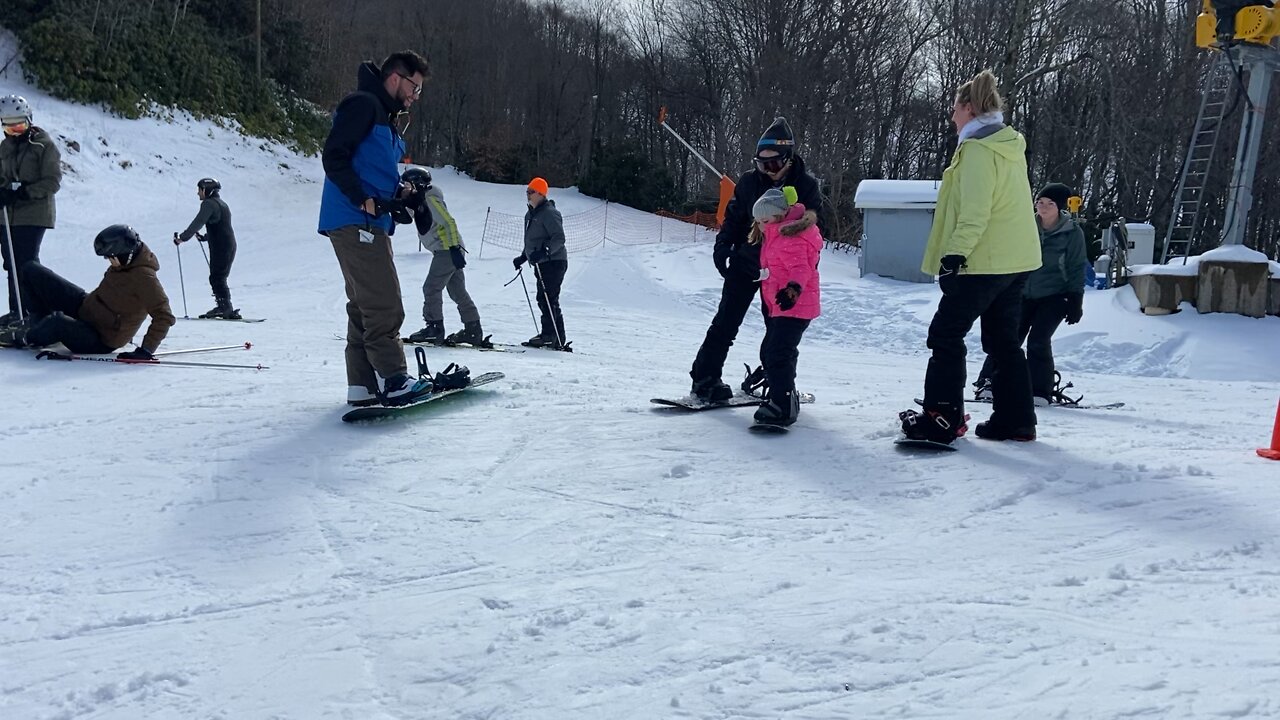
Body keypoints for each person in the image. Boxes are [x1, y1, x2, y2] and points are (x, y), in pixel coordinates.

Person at [897, 69, 1042, 444]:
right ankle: (1017, 421)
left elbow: (976, 212)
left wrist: (954, 256)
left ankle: (941, 417)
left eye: (953, 108)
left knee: (945, 334)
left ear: (968, 108)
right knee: (1003, 342)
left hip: (984, 262)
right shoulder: (1008, 145)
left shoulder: (977, 150)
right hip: (1016, 260)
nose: (950, 116)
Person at [318, 50, 432, 407]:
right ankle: (394, 378)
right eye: (415, 87)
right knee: (383, 302)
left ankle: (363, 384)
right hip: (355, 219)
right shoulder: (364, 105)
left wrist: (401, 193)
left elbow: (371, 168)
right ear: (395, 78)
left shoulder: (384, 115)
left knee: (364, 304)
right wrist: (361, 198)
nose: (416, 96)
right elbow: (333, 155)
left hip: (367, 220)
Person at [689, 116, 822, 403]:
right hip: (747, 264)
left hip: (780, 274)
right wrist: (723, 249)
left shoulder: (806, 185)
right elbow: (733, 219)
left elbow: (811, 236)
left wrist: (799, 279)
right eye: (761, 164)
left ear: (788, 158)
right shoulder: (750, 182)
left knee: (780, 333)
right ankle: (705, 379)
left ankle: (779, 386)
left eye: (773, 164)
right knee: (725, 323)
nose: (767, 170)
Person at [973, 182, 1087, 405]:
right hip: (1021, 293)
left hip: (1055, 295)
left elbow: (1076, 267)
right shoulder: (1024, 226)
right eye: (1040, 202)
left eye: (1049, 204)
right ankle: (988, 383)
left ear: (1060, 207)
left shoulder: (1072, 233)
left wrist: (1076, 298)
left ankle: (1039, 390)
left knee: (1038, 339)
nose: (1042, 207)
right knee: (1007, 338)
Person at [0, 224, 174, 358]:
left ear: (123, 254)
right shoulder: (125, 263)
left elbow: (164, 316)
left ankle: (25, 337)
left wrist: (146, 350)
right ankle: (38, 322)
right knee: (31, 270)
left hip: (100, 338)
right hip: (87, 309)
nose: (107, 260)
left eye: (109, 257)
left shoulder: (145, 278)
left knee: (57, 322)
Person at [749, 187, 822, 427]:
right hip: (780, 305)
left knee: (777, 352)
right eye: (758, 221)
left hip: (793, 304)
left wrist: (792, 289)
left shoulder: (790, 237)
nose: (761, 224)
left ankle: (783, 404)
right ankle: (782, 393)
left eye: (765, 219)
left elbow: (801, 268)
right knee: (774, 351)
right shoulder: (775, 235)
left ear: (781, 215)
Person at [402, 168, 485, 345]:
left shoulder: (430, 198)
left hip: (447, 249)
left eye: (408, 185)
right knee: (457, 291)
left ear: (418, 184)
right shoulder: (419, 199)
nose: (406, 188)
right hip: (448, 249)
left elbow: (448, 222)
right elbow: (406, 214)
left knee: (431, 288)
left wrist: (454, 248)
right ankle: (473, 329)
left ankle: (434, 328)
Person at [0, 94, 61, 328]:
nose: (15, 131)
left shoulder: (43, 145)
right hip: (8, 215)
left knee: (26, 263)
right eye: (9, 127)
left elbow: (52, 181)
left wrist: (24, 192)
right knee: (11, 264)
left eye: (19, 126)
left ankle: (34, 311)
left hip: (34, 213)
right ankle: (17, 310)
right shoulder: (4, 147)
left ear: (29, 120)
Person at [512, 177, 568, 349]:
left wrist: (545, 251)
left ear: (541, 194)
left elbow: (559, 238)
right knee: (544, 298)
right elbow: (533, 240)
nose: (528, 195)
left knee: (548, 298)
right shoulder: (531, 214)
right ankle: (552, 335)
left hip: (554, 261)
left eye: (531, 192)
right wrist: (524, 257)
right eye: (527, 191)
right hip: (541, 262)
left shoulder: (550, 213)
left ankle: (552, 335)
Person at [174, 177, 240, 319]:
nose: (198, 193)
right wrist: (204, 237)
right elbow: (221, 227)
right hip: (228, 244)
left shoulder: (209, 204)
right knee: (218, 277)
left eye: (199, 190)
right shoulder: (222, 204)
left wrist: (183, 238)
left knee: (217, 277)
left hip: (221, 246)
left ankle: (225, 308)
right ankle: (224, 307)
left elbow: (198, 222)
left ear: (206, 190)